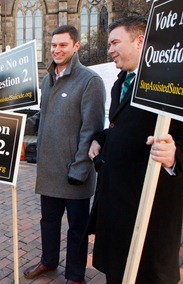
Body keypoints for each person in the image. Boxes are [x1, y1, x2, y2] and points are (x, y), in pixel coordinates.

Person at [88, 16, 183, 284]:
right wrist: (101, 139)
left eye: (115, 42)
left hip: (150, 207)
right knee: (118, 272)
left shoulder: (172, 82)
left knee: (146, 274)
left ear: (140, 41)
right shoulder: (121, 81)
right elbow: (123, 125)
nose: (109, 50)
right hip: (117, 203)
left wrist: (175, 154)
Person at [22, 25, 106, 284]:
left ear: (76, 46)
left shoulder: (90, 81)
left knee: (77, 229)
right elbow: (43, 116)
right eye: (53, 45)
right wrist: (16, 126)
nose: (56, 50)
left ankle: (75, 276)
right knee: (48, 222)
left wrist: (80, 170)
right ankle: (48, 261)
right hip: (48, 171)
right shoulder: (48, 79)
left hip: (74, 172)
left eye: (63, 45)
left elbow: (91, 129)